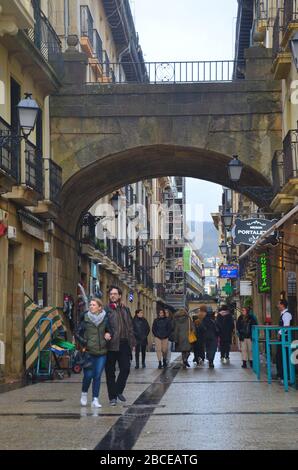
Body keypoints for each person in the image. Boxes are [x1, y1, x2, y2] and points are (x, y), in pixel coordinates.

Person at [75, 298, 112, 408]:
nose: (91, 306)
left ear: (99, 307)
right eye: (90, 305)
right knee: (88, 375)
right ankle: (84, 393)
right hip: (89, 352)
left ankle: (95, 399)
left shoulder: (105, 319)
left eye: (94, 305)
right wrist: (85, 342)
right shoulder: (85, 318)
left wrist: (108, 334)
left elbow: (110, 330)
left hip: (102, 352)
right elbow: (77, 333)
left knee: (97, 376)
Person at [105, 286, 136, 406]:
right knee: (110, 372)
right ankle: (112, 397)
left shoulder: (125, 309)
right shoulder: (106, 309)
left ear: (119, 296)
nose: (112, 295)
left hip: (124, 343)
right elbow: (102, 324)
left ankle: (118, 390)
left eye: (115, 294)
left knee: (126, 369)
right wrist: (105, 333)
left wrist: (132, 342)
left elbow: (130, 326)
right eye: (111, 294)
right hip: (111, 344)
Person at [276, 300, 293, 383]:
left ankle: (285, 376)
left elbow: (286, 326)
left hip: (285, 339)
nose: (277, 305)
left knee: (284, 356)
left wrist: (279, 333)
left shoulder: (287, 314)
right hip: (283, 339)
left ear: (282, 305)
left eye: (278, 304)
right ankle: (281, 375)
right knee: (280, 356)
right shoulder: (283, 314)